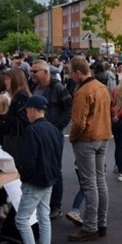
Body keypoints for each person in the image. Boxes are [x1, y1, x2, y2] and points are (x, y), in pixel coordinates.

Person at [13, 95, 64, 244]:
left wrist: (23, 175)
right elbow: (58, 156)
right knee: (44, 217)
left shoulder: (32, 130)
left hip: (35, 180)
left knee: (21, 219)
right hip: (49, 178)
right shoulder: (53, 129)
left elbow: (28, 160)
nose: (26, 113)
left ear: (33, 109)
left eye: (27, 110)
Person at [67, 56, 113, 242]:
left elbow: (78, 122)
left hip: (87, 139)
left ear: (78, 72)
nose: (70, 76)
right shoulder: (103, 88)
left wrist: (73, 138)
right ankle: (101, 223)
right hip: (103, 136)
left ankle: (90, 226)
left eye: (71, 73)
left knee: (89, 184)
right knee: (100, 182)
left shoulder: (83, 91)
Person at [30, 60, 73, 219]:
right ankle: (43, 202)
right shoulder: (34, 86)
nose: (32, 74)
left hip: (53, 133)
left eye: (35, 71)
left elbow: (69, 107)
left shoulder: (57, 87)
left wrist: (57, 126)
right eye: (32, 71)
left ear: (46, 72)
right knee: (40, 165)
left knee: (54, 168)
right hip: (37, 133)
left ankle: (56, 205)